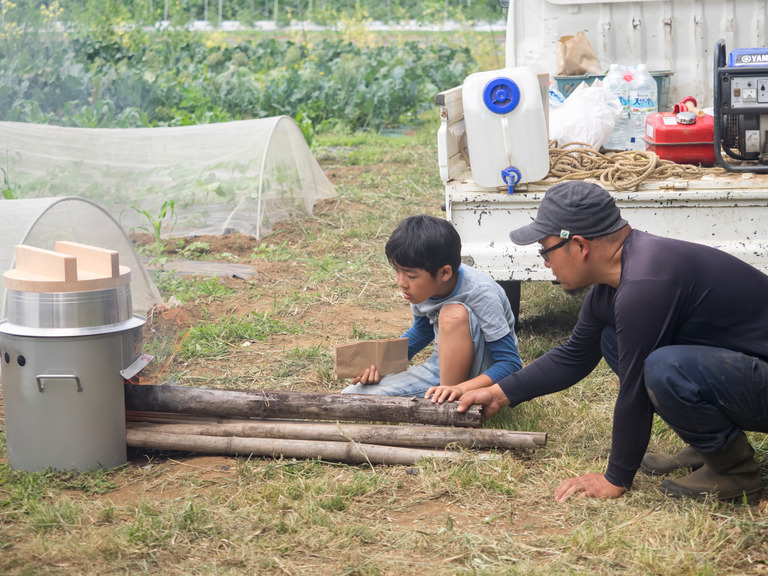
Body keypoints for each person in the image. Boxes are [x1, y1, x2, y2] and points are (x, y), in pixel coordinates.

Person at [444, 180, 768, 503]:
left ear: (580, 246)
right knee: (612, 340)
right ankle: (708, 446)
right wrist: (498, 394)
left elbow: (635, 390)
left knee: (661, 369)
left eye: (546, 249)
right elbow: (573, 356)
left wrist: (616, 477)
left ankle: (735, 472)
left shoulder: (645, 284)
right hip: (749, 370)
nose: (544, 261)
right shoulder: (615, 284)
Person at [341, 214, 522, 398]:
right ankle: (443, 395)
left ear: (444, 273)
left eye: (411, 276)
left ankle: (448, 403)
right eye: (397, 271)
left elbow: (510, 364)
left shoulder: (481, 293)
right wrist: (380, 366)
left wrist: (460, 389)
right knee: (352, 394)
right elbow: (422, 331)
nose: (401, 282)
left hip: (482, 379)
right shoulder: (423, 289)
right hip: (442, 369)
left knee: (453, 314)